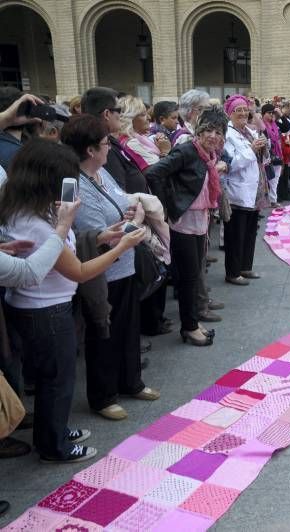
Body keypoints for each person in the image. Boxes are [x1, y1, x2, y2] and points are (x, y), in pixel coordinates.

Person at [1, 139, 147, 462]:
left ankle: (54, 430)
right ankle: (54, 446)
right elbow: (79, 270)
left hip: (39, 307)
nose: (73, 188)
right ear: (45, 179)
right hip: (45, 311)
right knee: (58, 381)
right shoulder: (37, 223)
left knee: (52, 379)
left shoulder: (29, 209)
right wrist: (122, 247)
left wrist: (103, 236)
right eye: (67, 180)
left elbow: (64, 251)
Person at [58, 115, 160, 422]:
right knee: (103, 332)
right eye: (105, 144)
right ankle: (102, 396)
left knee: (128, 328)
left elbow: (121, 202)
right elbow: (71, 229)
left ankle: (131, 381)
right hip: (98, 268)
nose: (109, 148)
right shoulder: (69, 182)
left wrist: (130, 212)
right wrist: (121, 226)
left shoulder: (102, 173)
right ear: (90, 150)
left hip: (124, 260)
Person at [146, 107, 228, 347]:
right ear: (199, 132)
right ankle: (189, 327)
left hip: (200, 221)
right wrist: (168, 206)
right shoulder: (187, 151)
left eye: (218, 131)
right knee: (188, 278)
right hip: (183, 223)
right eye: (208, 130)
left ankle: (191, 322)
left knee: (193, 275)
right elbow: (154, 174)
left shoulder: (208, 154)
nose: (213, 135)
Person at [222, 95, 263, 287]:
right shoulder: (227, 135)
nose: (243, 114)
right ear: (229, 114)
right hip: (237, 191)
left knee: (249, 232)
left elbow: (258, 157)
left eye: (245, 110)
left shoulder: (248, 131)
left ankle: (246, 266)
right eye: (238, 110)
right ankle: (232, 271)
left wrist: (264, 147)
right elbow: (231, 164)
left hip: (253, 190)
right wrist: (252, 150)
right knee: (236, 235)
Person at [81, 87, 148, 194]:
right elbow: (118, 193)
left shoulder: (108, 141)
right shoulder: (102, 147)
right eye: (118, 110)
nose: (121, 115)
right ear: (107, 114)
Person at [118, 95, 170, 171]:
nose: (149, 117)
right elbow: (156, 172)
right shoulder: (131, 143)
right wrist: (165, 151)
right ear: (130, 118)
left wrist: (158, 144)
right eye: (143, 115)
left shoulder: (139, 138)